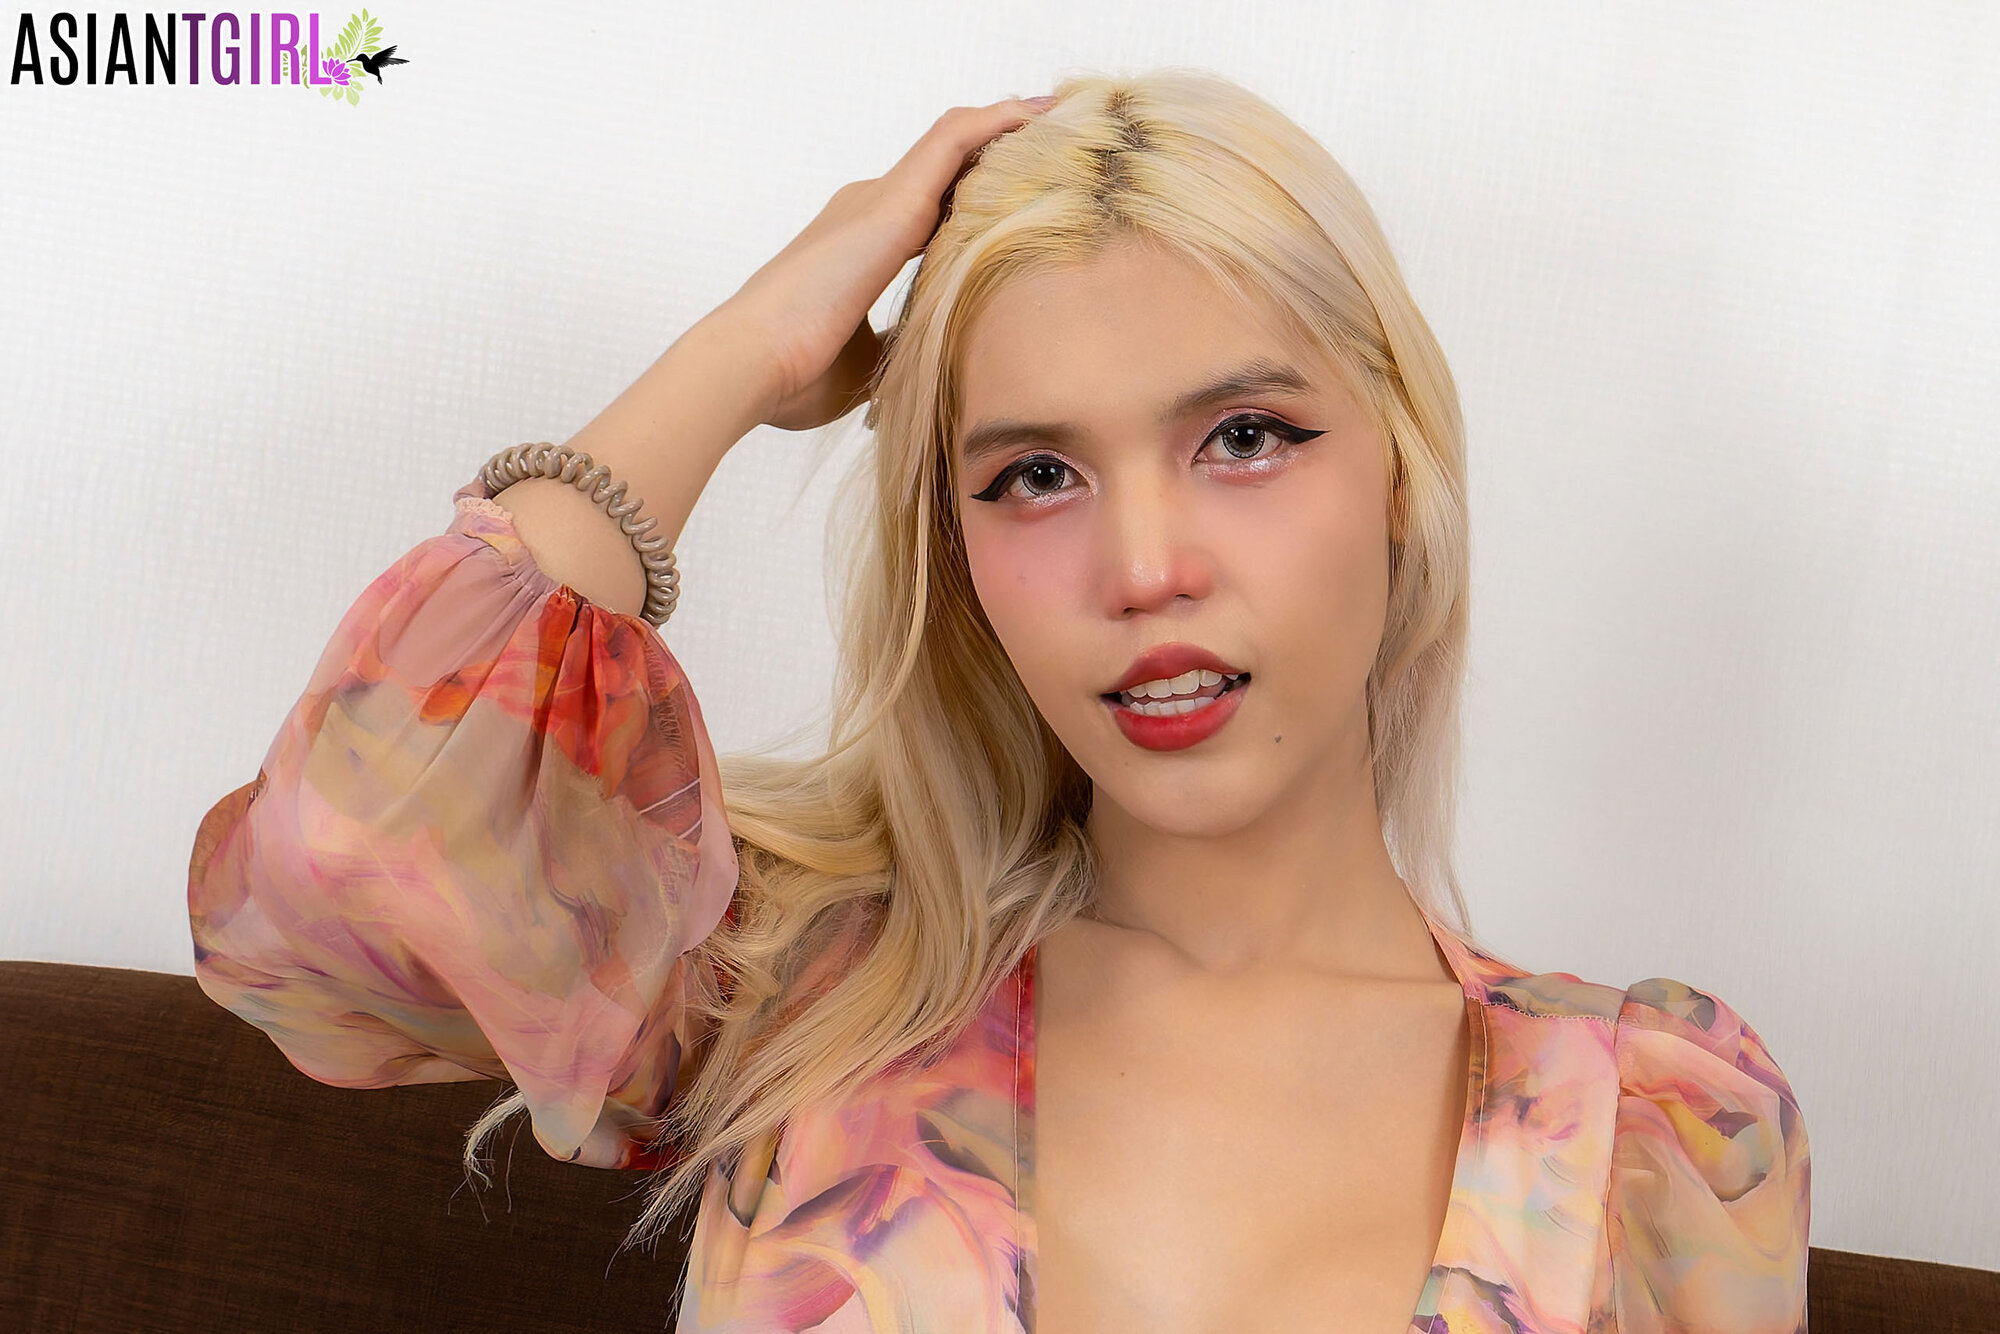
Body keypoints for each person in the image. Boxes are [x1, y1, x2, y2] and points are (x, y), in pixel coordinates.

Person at [186, 68, 1811, 1332]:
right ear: (958, 553)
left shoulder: (1652, 1130)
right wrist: (755, 346)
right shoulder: (794, 987)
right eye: (1036, 473)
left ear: (1398, 471)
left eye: (1245, 437)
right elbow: (333, 862)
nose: (1146, 567)